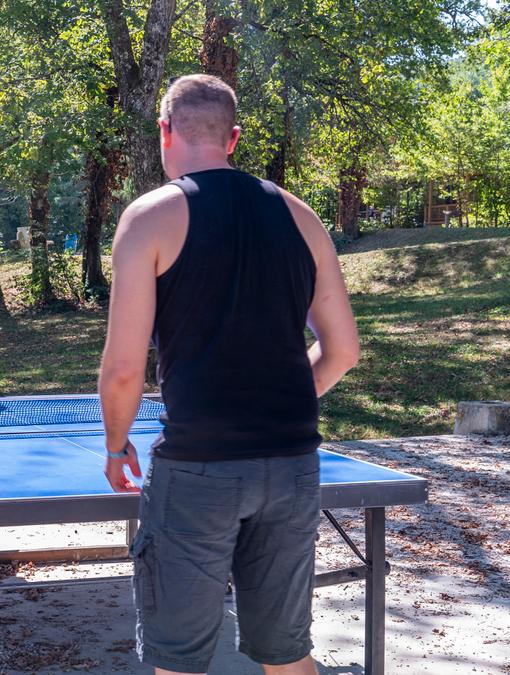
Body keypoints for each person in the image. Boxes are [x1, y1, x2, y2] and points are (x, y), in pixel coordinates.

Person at [98, 74, 360, 675]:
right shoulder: (302, 218)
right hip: (292, 464)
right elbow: (342, 350)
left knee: (179, 661)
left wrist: (116, 446)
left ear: (165, 131)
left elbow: (123, 370)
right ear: (233, 138)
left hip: (197, 468)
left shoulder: (150, 217)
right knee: (288, 653)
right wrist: (277, 402)